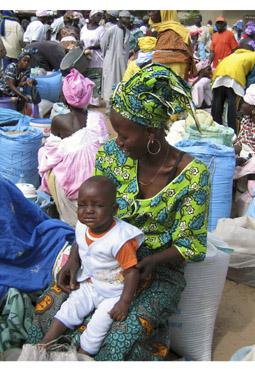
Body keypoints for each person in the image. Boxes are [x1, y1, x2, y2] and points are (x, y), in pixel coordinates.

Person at [34, 63, 210, 361]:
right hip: (101, 258)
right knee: (51, 314)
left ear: (152, 133)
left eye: (125, 135)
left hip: (156, 270)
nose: (118, 141)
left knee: (114, 339)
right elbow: (91, 215)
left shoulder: (193, 175)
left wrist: (149, 262)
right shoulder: (112, 157)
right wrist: (75, 260)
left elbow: (190, 244)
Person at [39, 175, 144, 356]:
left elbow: (132, 272)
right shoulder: (82, 225)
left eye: (97, 205)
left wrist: (124, 302)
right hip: (91, 282)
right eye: (82, 205)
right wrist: (73, 260)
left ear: (114, 209)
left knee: (98, 326)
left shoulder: (120, 239)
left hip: (114, 291)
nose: (88, 211)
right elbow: (80, 243)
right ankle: (44, 343)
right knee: (70, 307)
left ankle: (83, 356)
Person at [38, 68, 108, 227]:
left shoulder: (59, 121)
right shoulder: (98, 118)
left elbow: (52, 153)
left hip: (70, 187)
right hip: (96, 182)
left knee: (43, 154)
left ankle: (59, 210)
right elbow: (104, 147)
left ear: (64, 97)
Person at [211, 40, 255, 133]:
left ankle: (215, 131)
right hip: (234, 81)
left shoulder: (231, 56)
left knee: (217, 108)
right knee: (234, 108)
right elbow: (252, 79)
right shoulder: (253, 56)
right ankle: (234, 133)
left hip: (218, 80)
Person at [148, 10, 196, 81]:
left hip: (175, 72)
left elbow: (178, 60)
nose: (149, 13)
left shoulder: (175, 31)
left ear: (165, 12)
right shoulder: (161, 30)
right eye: (149, 10)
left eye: (153, 10)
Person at [100, 10, 131, 113]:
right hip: (111, 61)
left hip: (122, 63)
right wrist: (108, 56)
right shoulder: (111, 30)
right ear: (120, 18)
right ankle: (108, 109)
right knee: (110, 83)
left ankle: (118, 108)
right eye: (125, 18)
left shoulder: (128, 32)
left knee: (120, 82)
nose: (126, 20)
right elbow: (103, 44)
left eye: (128, 18)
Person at [80, 10, 105, 106]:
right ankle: (86, 101)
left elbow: (103, 44)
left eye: (101, 16)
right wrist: (81, 45)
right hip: (85, 58)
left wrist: (91, 47)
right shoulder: (84, 29)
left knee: (96, 80)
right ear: (92, 16)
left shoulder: (101, 29)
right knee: (85, 79)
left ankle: (95, 102)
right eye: (97, 15)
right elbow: (81, 41)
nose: (99, 18)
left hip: (97, 59)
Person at [235, 84, 255, 155]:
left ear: (253, 109)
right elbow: (239, 142)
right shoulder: (246, 120)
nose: (242, 105)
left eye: (245, 103)